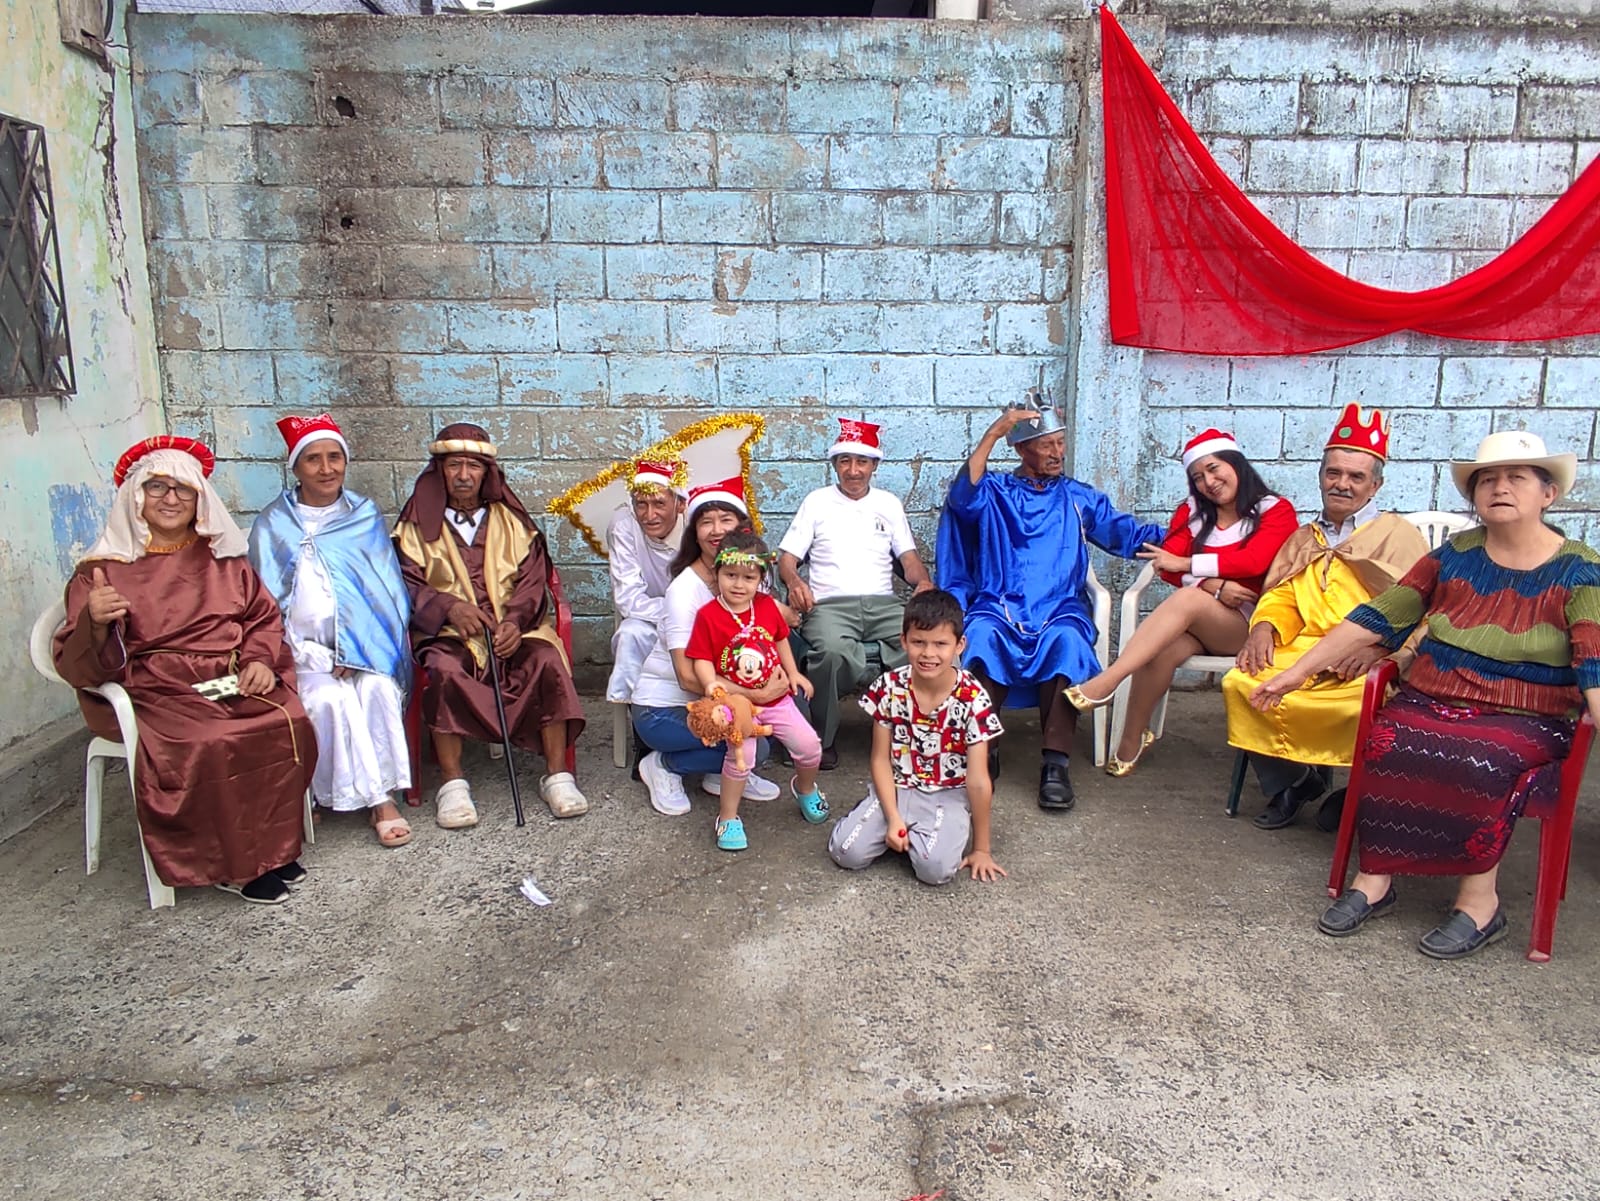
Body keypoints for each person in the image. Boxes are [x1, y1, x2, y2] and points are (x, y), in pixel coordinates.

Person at [1251, 431, 1600, 960]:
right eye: (1487, 479)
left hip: (1527, 714)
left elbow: (1593, 660)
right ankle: (1375, 880)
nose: (1499, 488)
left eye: (1516, 478)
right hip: (1435, 697)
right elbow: (1378, 616)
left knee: (1481, 755)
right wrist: (1295, 673)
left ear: (1548, 494)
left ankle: (1479, 904)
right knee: (1390, 736)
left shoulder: (1579, 570)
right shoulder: (1453, 555)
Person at [53, 436, 314, 905]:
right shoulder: (102, 571)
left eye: (183, 489)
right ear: (136, 496)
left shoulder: (223, 558)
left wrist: (258, 659)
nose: (170, 498)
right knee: (211, 740)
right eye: (157, 487)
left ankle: (269, 849)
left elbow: (261, 617)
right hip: (156, 688)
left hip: (228, 674)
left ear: (199, 499)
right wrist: (96, 622)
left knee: (287, 719)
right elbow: (81, 665)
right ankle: (232, 865)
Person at [936, 396, 1167, 811]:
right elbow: (962, 498)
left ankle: (1055, 764)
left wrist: (1197, 537)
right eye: (1046, 445)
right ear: (1021, 449)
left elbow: (1128, 535)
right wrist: (993, 433)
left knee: (1068, 641)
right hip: (999, 603)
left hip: (1059, 606)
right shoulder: (995, 491)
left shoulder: (1078, 498)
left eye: (1060, 443)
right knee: (981, 636)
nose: (1057, 453)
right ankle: (983, 750)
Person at [1221, 406, 1430, 830]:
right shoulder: (1304, 538)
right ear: (1320, 476)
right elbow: (1282, 594)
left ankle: (1357, 792)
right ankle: (1293, 782)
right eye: (1334, 473)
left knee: (1360, 703)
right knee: (1242, 682)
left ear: (1375, 485)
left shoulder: (1398, 536)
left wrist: (1382, 649)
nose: (1342, 484)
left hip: (1362, 656)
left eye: (1356, 477)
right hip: (1302, 647)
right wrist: (1263, 627)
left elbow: (1424, 610)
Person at [1066, 429, 1298, 775]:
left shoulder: (1274, 510)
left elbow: (1254, 562)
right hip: (1207, 620)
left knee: (1189, 598)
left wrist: (1189, 565)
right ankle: (1132, 739)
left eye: (1214, 469)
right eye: (1198, 477)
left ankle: (1109, 680)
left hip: (1253, 625)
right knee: (1163, 650)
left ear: (1236, 464)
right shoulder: (1192, 513)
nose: (1209, 482)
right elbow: (1165, 565)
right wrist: (1214, 586)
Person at [394, 423, 587, 827]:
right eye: (454, 465)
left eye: (473, 466)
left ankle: (557, 776)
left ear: (487, 473)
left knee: (546, 660)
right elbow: (405, 582)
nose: (464, 475)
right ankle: (453, 784)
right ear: (440, 470)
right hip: (449, 634)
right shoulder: (413, 527)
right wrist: (448, 607)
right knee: (444, 669)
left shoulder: (513, 522)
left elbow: (533, 581)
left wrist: (515, 621)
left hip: (515, 630)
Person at [249, 414, 415, 848]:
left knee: (377, 691)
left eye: (334, 457)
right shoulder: (272, 524)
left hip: (364, 648)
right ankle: (342, 795)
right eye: (313, 459)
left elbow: (385, 592)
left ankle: (382, 797)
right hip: (300, 652)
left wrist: (356, 650)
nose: (326, 469)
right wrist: (304, 652)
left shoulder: (363, 515)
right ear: (296, 467)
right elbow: (260, 602)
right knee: (329, 699)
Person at [777, 419, 934, 770]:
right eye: (845, 461)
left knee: (927, 644)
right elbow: (787, 559)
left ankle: (917, 736)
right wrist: (795, 582)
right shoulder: (817, 502)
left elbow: (909, 560)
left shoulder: (888, 503)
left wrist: (923, 584)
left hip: (884, 605)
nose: (853, 470)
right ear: (835, 464)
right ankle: (819, 739)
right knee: (831, 654)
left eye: (861, 462)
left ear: (874, 465)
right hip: (830, 607)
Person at [828, 589, 1006, 885]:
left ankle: (929, 832)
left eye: (940, 644)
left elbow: (978, 780)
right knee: (845, 852)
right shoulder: (889, 687)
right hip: (897, 788)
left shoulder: (973, 698)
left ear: (960, 645)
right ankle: (894, 825)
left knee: (934, 870)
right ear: (904, 641)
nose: (928, 654)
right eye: (918, 642)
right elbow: (880, 760)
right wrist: (893, 818)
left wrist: (982, 849)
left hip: (946, 795)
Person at [631, 475, 782, 817]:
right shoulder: (685, 591)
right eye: (705, 522)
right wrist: (756, 695)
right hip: (664, 710)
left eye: (725, 520)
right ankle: (663, 765)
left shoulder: (746, 580)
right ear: (694, 533)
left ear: (742, 527)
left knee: (771, 734)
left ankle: (722, 774)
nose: (716, 531)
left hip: (719, 700)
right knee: (753, 744)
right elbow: (687, 677)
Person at [686, 529, 826, 851]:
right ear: (717, 573)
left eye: (748, 577)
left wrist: (794, 673)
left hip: (777, 699)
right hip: (737, 704)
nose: (738, 584)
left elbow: (781, 639)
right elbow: (701, 659)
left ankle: (805, 788)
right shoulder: (708, 616)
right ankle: (727, 817)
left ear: (761, 579)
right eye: (730, 575)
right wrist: (710, 684)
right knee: (741, 757)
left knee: (809, 747)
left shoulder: (766, 607)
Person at [604, 459, 686, 704]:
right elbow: (628, 600)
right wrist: (676, 612)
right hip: (649, 619)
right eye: (641, 504)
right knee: (630, 633)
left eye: (659, 503)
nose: (649, 515)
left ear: (680, 504)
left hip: (698, 620)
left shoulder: (698, 523)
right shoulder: (623, 525)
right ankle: (640, 711)